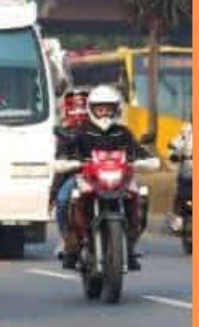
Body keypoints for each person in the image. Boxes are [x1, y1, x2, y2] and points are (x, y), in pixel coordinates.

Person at [55, 84, 154, 270]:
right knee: (63, 199)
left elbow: (138, 151)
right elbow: (66, 152)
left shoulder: (123, 132)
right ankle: (71, 244)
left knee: (141, 198)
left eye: (108, 108)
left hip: (119, 179)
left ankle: (130, 245)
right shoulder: (82, 132)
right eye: (100, 108)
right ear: (91, 109)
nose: (104, 113)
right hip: (86, 178)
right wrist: (66, 161)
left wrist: (147, 159)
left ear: (116, 109)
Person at [51, 90, 90, 265]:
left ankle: (127, 240)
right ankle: (68, 240)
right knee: (63, 199)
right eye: (75, 106)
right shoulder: (64, 133)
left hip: (102, 177)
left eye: (83, 105)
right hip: (76, 178)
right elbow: (60, 164)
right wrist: (53, 192)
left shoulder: (105, 129)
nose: (79, 110)